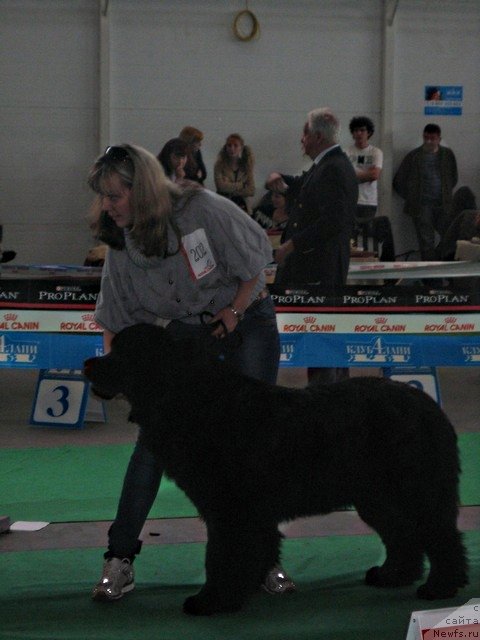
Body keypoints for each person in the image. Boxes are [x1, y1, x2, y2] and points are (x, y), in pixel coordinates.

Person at [86, 143, 295, 601]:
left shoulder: (201, 210)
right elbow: (115, 320)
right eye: (103, 196)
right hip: (188, 330)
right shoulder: (120, 242)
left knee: (252, 444)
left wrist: (234, 314)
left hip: (247, 317)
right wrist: (116, 374)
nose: (107, 206)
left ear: (140, 191)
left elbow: (257, 263)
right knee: (152, 445)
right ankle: (119, 557)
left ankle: (263, 558)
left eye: (115, 196)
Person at [266, 107, 358, 384]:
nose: (301, 140)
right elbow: (304, 186)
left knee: (322, 340)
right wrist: (280, 182)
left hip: (319, 270)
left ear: (317, 136)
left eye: (304, 134)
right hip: (316, 268)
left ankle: (327, 400)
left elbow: (333, 222)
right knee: (320, 341)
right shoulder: (326, 165)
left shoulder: (335, 169)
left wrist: (291, 245)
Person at [393, 123, 458, 260]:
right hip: (422, 205)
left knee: (449, 236)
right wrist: (412, 197)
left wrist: (446, 193)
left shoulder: (447, 154)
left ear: (439, 139)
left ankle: (442, 269)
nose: (428, 141)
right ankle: (431, 278)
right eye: (426, 138)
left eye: (432, 138)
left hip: (443, 203)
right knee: (426, 241)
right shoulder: (414, 156)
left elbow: (453, 177)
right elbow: (398, 181)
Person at [347, 116, 395, 261]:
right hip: (350, 201)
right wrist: (363, 175)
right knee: (350, 239)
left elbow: (374, 175)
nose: (359, 134)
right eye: (356, 130)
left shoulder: (376, 152)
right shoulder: (346, 152)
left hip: (369, 202)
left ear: (369, 133)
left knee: (368, 238)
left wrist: (354, 175)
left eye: (362, 130)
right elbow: (344, 177)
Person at [214, 133, 255, 213]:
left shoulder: (246, 165)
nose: (232, 148)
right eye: (229, 145)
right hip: (223, 204)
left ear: (241, 148)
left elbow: (251, 190)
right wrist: (242, 185)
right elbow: (221, 187)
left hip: (242, 205)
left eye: (235, 146)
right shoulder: (219, 165)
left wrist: (229, 188)